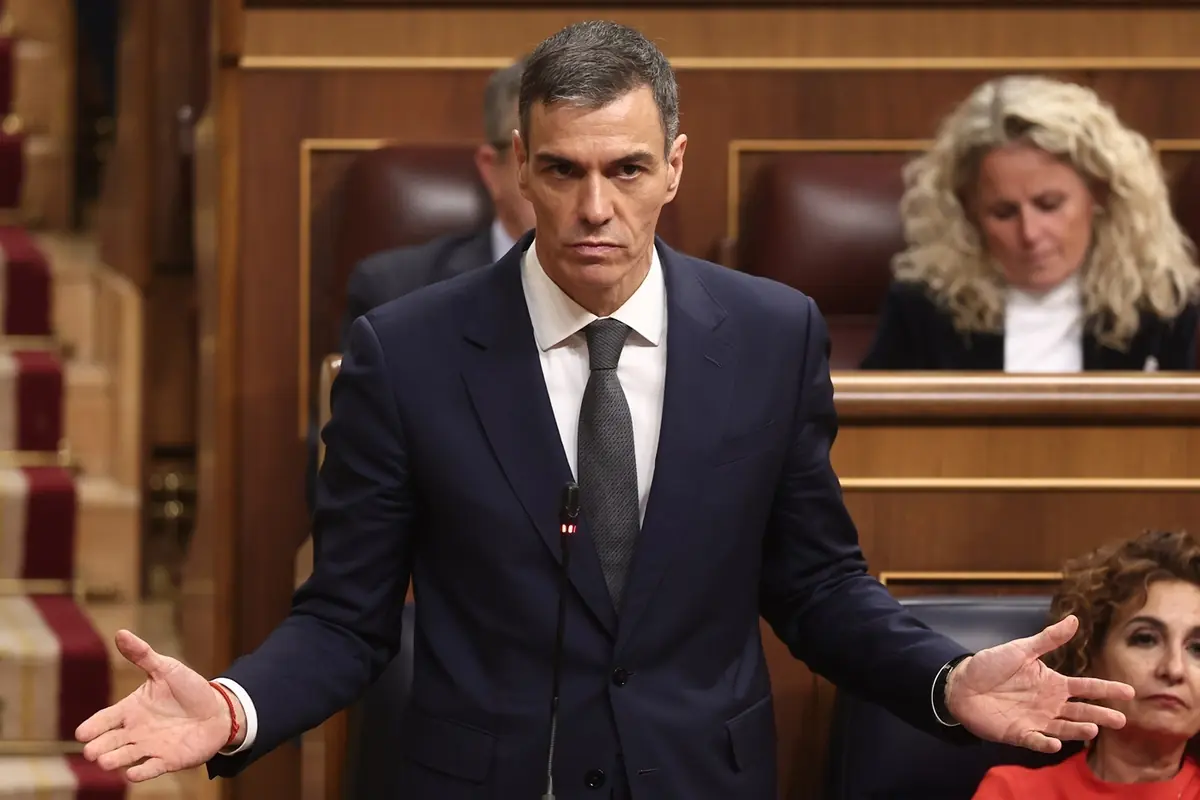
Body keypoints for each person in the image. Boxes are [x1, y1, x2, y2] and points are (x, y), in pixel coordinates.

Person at [77, 22, 1134, 799]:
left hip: (701, 778)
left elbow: (816, 584)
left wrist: (944, 678)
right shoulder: (408, 352)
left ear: (674, 166)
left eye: (626, 169)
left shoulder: (772, 335)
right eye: (563, 171)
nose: (595, 208)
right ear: (518, 171)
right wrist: (236, 706)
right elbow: (347, 617)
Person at [861, 75, 1200, 372]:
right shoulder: (923, 306)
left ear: (1098, 193)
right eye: (1003, 212)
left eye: (1049, 205)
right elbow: (871, 421)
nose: (1030, 233)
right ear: (969, 213)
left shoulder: (1162, 304)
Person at [973, 529, 1200, 799]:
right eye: (1145, 639)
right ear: (1090, 656)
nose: (1173, 669)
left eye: (1198, 649)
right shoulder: (1013, 792)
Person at [337, 55, 536, 348]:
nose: (590, 201)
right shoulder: (393, 294)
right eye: (555, 165)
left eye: (607, 168)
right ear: (492, 169)